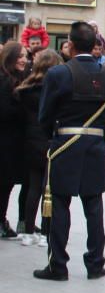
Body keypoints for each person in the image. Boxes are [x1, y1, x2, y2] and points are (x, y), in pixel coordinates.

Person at [32, 21, 105, 281]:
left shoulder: (59, 73)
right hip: (95, 147)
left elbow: (45, 115)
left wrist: (52, 138)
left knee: (59, 206)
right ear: (94, 45)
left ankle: (57, 265)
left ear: (70, 44)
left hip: (64, 146)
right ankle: (95, 264)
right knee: (94, 207)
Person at [14, 49, 62, 247]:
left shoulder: (25, 89)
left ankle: (27, 230)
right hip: (49, 139)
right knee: (48, 189)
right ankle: (45, 231)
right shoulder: (54, 89)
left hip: (29, 140)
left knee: (32, 187)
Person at [0, 41, 28, 239]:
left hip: (14, 140)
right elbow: (5, 111)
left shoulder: (18, 78)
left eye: (25, 56)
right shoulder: (4, 80)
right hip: (5, 140)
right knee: (4, 183)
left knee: (7, 184)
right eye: (20, 56)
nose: (24, 60)